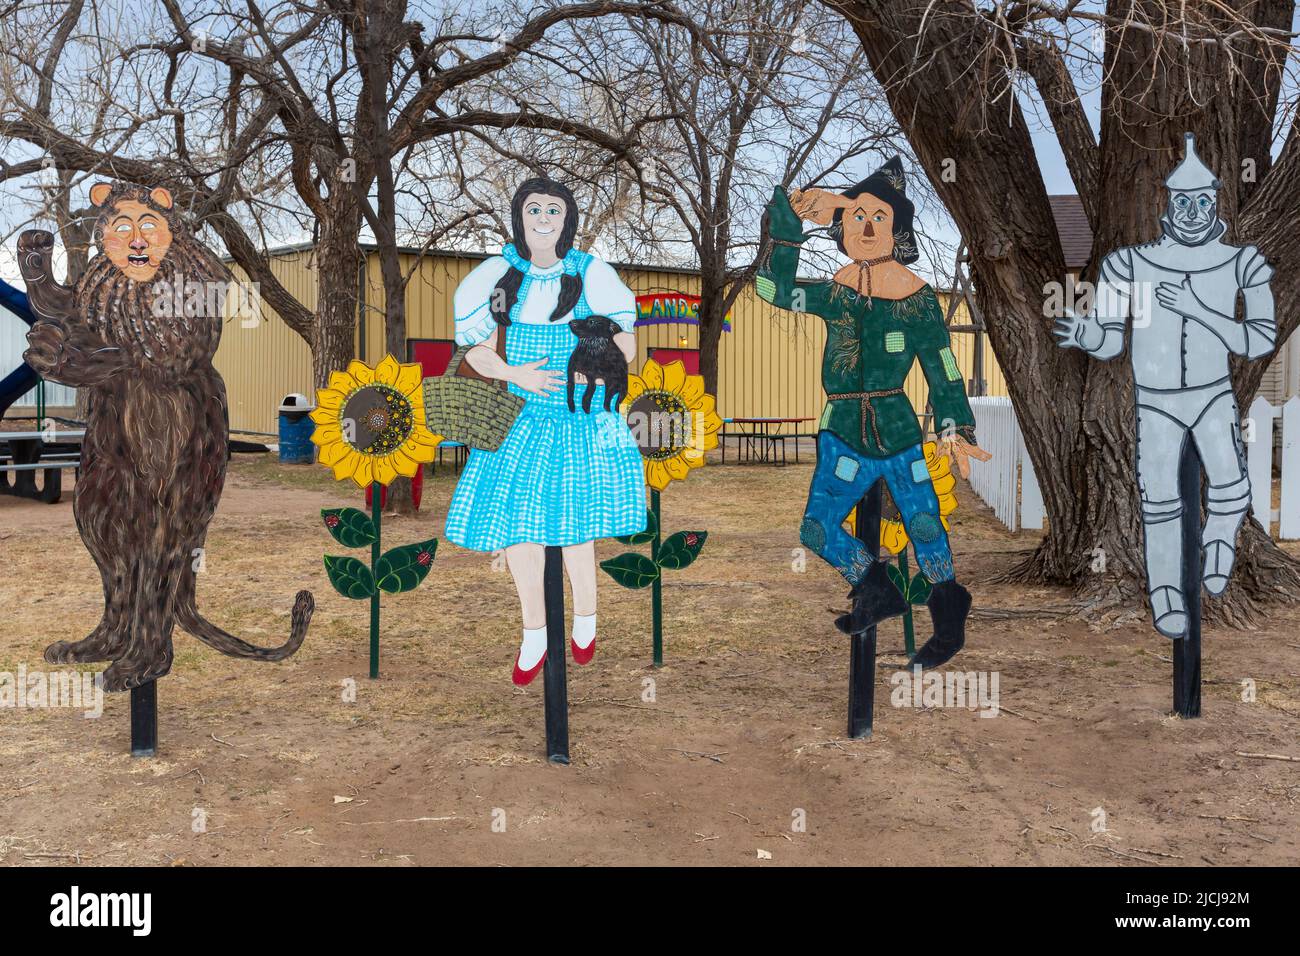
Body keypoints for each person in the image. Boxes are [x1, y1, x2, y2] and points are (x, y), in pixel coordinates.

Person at [757, 156, 989, 668]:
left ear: (897, 231)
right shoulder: (836, 293)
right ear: (841, 226)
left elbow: (942, 365)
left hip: (899, 431)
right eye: (856, 214)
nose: (865, 225)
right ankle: (875, 586)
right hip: (841, 431)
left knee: (924, 524)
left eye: (879, 217)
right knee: (817, 529)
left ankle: (950, 617)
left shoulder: (917, 299)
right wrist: (788, 226)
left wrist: (954, 427)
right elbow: (771, 289)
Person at [1054, 133, 1276, 637]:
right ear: (1168, 204)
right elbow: (1111, 342)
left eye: (1202, 201)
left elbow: (1259, 340)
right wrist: (1088, 333)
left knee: (1230, 483)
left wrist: (1202, 312)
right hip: (1155, 401)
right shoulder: (1128, 265)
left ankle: (1220, 541)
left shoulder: (1242, 263)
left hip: (1212, 392)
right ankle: (1166, 593)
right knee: (1157, 500)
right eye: (1183, 201)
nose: (1194, 212)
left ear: (1214, 202)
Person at [446, 177, 646, 684]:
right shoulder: (499, 277)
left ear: (567, 221)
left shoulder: (590, 275)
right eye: (532, 208)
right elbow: (475, 351)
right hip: (521, 418)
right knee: (519, 528)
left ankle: (586, 620)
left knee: (575, 525)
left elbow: (626, 345)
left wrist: (596, 365)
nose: (542, 218)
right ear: (519, 217)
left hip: (580, 418)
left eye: (553, 210)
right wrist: (517, 374)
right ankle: (534, 628)